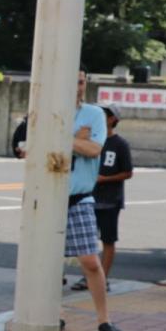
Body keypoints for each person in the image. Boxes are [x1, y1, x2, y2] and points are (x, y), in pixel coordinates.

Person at [66, 70, 124, 331]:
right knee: (47, 262)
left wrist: (64, 138)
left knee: (90, 260)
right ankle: (50, 315)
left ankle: (104, 320)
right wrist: (78, 138)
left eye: (81, 81)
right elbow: (26, 146)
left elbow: (93, 149)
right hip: (47, 198)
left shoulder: (94, 113)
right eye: (72, 80)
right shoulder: (43, 110)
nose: (77, 86)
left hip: (80, 196)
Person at [71, 106, 131, 290]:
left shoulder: (120, 144)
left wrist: (105, 179)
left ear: (113, 119)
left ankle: (103, 278)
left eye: (105, 115)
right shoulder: (90, 139)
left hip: (110, 200)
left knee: (108, 240)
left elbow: (128, 172)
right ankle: (87, 277)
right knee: (86, 242)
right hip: (88, 197)